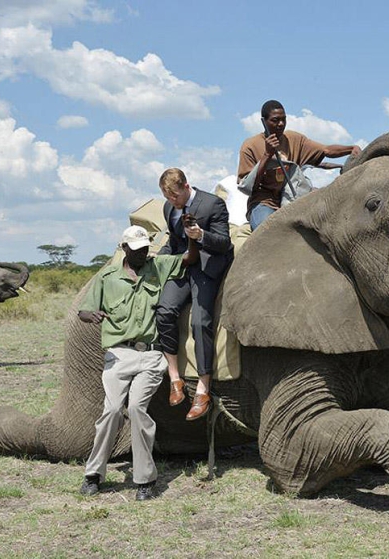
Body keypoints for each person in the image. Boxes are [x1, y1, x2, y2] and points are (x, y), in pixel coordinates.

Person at [78, 225, 200, 501]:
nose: (142, 253)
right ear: (124, 249)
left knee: (136, 408)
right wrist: (92, 315)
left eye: (145, 248)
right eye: (136, 250)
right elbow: (84, 311)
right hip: (119, 354)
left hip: (151, 356)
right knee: (111, 411)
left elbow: (189, 258)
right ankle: (93, 474)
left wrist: (193, 238)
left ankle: (145, 479)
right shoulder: (107, 277)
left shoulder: (158, 266)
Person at [155, 168, 234, 421]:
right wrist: (160, 260)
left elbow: (224, 243)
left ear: (186, 186)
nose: (172, 202)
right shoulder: (169, 208)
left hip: (206, 266)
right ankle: (175, 378)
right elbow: (174, 242)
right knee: (164, 312)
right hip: (182, 266)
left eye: (175, 196)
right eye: (168, 198)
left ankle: (203, 388)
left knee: (200, 321)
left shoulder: (213, 204)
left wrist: (201, 235)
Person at [237, 99, 362, 230]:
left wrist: (351, 149)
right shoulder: (250, 146)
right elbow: (248, 187)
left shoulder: (295, 139)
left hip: (293, 200)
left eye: (283, 119)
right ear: (264, 121)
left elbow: (326, 150)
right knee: (267, 232)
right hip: (264, 202)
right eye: (275, 120)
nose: (281, 124)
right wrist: (267, 155)